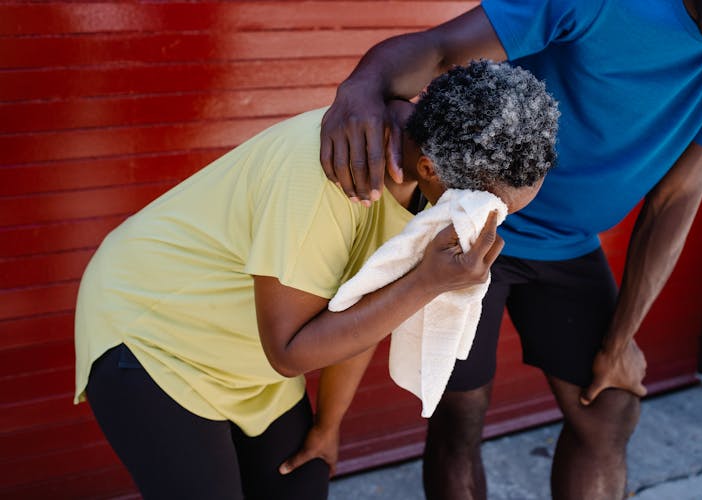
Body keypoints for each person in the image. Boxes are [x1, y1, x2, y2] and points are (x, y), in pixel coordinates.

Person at [318, 1, 702, 499]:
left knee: (609, 408)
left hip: (567, 245)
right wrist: (361, 87)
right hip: (469, 226)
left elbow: (677, 198)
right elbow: (438, 51)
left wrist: (620, 340)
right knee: (459, 412)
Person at [73, 60, 559, 499]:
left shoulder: (425, 193)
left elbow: (360, 311)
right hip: (155, 337)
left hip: (248, 356)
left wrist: (328, 424)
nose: (495, 225)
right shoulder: (328, 176)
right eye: (494, 208)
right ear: (431, 168)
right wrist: (426, 283)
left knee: (302, 485)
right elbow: (289, 353)